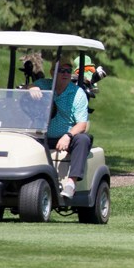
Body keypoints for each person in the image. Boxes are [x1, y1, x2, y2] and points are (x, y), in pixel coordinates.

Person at [29, 58, 92, 199]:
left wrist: (68, 136)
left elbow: (82, 124)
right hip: (43, 136)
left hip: (67, 138)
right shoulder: (44, 85)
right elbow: (27, 87)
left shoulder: (77, 93)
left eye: (68, 71)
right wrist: (31, 87)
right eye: (61, 70)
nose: (65, 74)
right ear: (52, 72)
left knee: (83, 139)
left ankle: (71, 184)